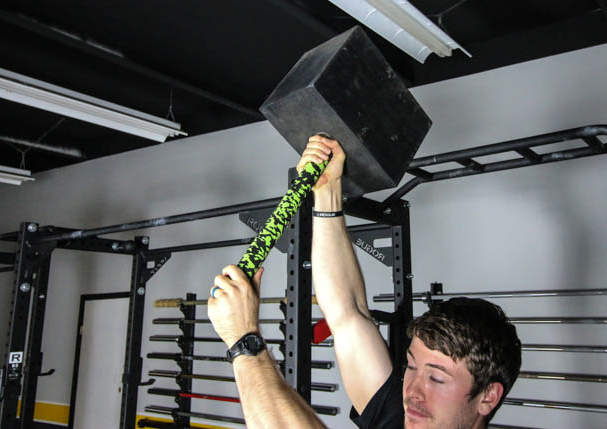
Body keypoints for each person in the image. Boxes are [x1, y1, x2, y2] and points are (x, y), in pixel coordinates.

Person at [208, 135, 522, 429]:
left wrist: (243, 340)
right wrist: (328, 192)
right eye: (411, 367)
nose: (412, 391)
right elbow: (348, 314)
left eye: (437, 379)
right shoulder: (398, 414)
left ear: (488, 397)